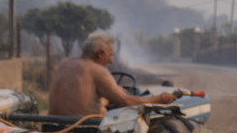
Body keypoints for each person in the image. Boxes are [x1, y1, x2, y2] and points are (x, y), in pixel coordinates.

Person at [47, 31, 175, 116]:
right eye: (110, 55)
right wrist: (159, 99)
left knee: (102, 109)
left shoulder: (65, 64)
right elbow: (126, 102)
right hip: (82, 131)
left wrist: (106, 98)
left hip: (53, 126)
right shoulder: (97, 70)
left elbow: (79, 99)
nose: (111, 60)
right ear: (100, 54)